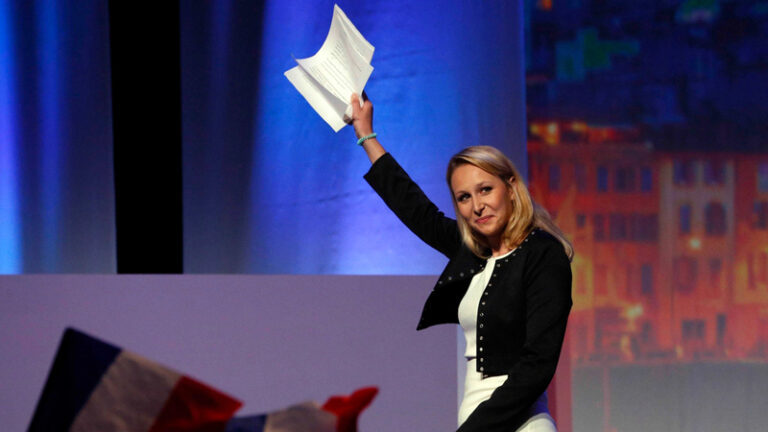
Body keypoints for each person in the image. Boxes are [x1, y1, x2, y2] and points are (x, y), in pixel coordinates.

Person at [348, 93, 573, 432]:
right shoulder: (472, 250)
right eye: (464, 197)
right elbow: (416, 209)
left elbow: (538, 364)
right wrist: (367, 135)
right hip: (473, 415)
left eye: (485, 190)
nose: (477, 206)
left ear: (511, 187)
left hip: (521, 422)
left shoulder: (543, 254)